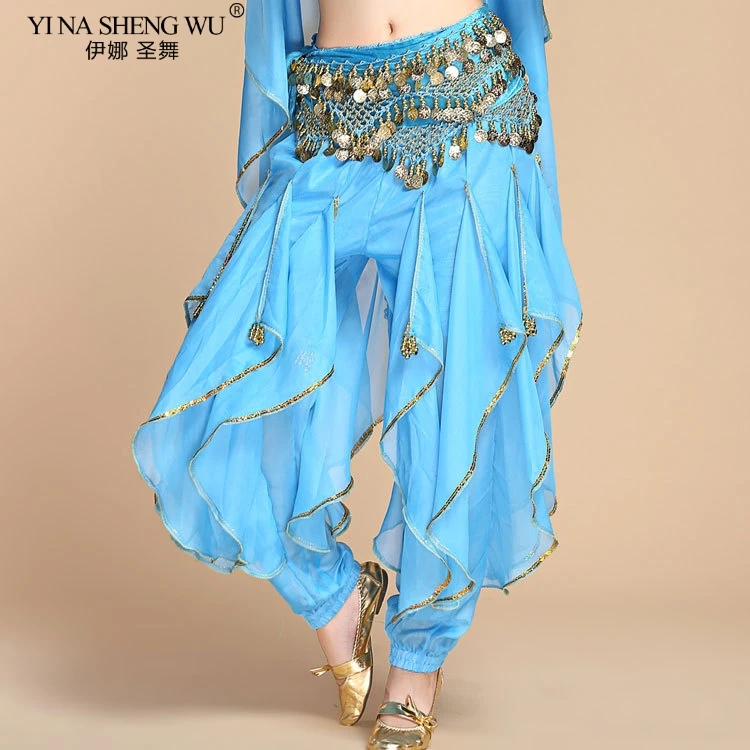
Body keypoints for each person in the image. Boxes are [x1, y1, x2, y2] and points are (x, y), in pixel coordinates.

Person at [131, 1, 583, 747]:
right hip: (331, 123)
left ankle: (417, 665)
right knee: (224, 391)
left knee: (449, 410)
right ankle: (335, 599)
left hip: (465, 111)